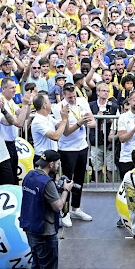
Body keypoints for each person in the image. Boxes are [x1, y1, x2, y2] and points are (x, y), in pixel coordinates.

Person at [20, 150, 72, 269]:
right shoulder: (47, 183)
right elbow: (57, 206)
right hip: (45, 232)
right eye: (57, 164)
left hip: (30, 228)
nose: (58, 166)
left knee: (37, 264)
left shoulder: (29, 176)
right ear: (51, 164)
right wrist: (65, 190)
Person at [56, 84, 95, 225]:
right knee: (67, 180)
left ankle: (76, 208)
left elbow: (93, 122)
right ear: (63, 95)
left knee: (79, 180)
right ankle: (64, 212)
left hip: (82, 146)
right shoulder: (59, 107)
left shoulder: (83, 101)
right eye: (69, 97)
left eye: (74, 96)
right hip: (67, 149)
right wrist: (79, 123)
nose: (73, 99)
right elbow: (65, 132)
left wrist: (86, 123)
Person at [0, 79, 35, 185]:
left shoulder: (9, 100)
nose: (15, 90)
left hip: (11, 143)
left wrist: (27, 104)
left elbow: (24, 116)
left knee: (13, 175)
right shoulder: (0, 102)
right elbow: (19, 123)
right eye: (12, 88)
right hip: (3, 144)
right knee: (7, 177)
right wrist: (25, 104)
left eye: (15, 87)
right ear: (3, 89)